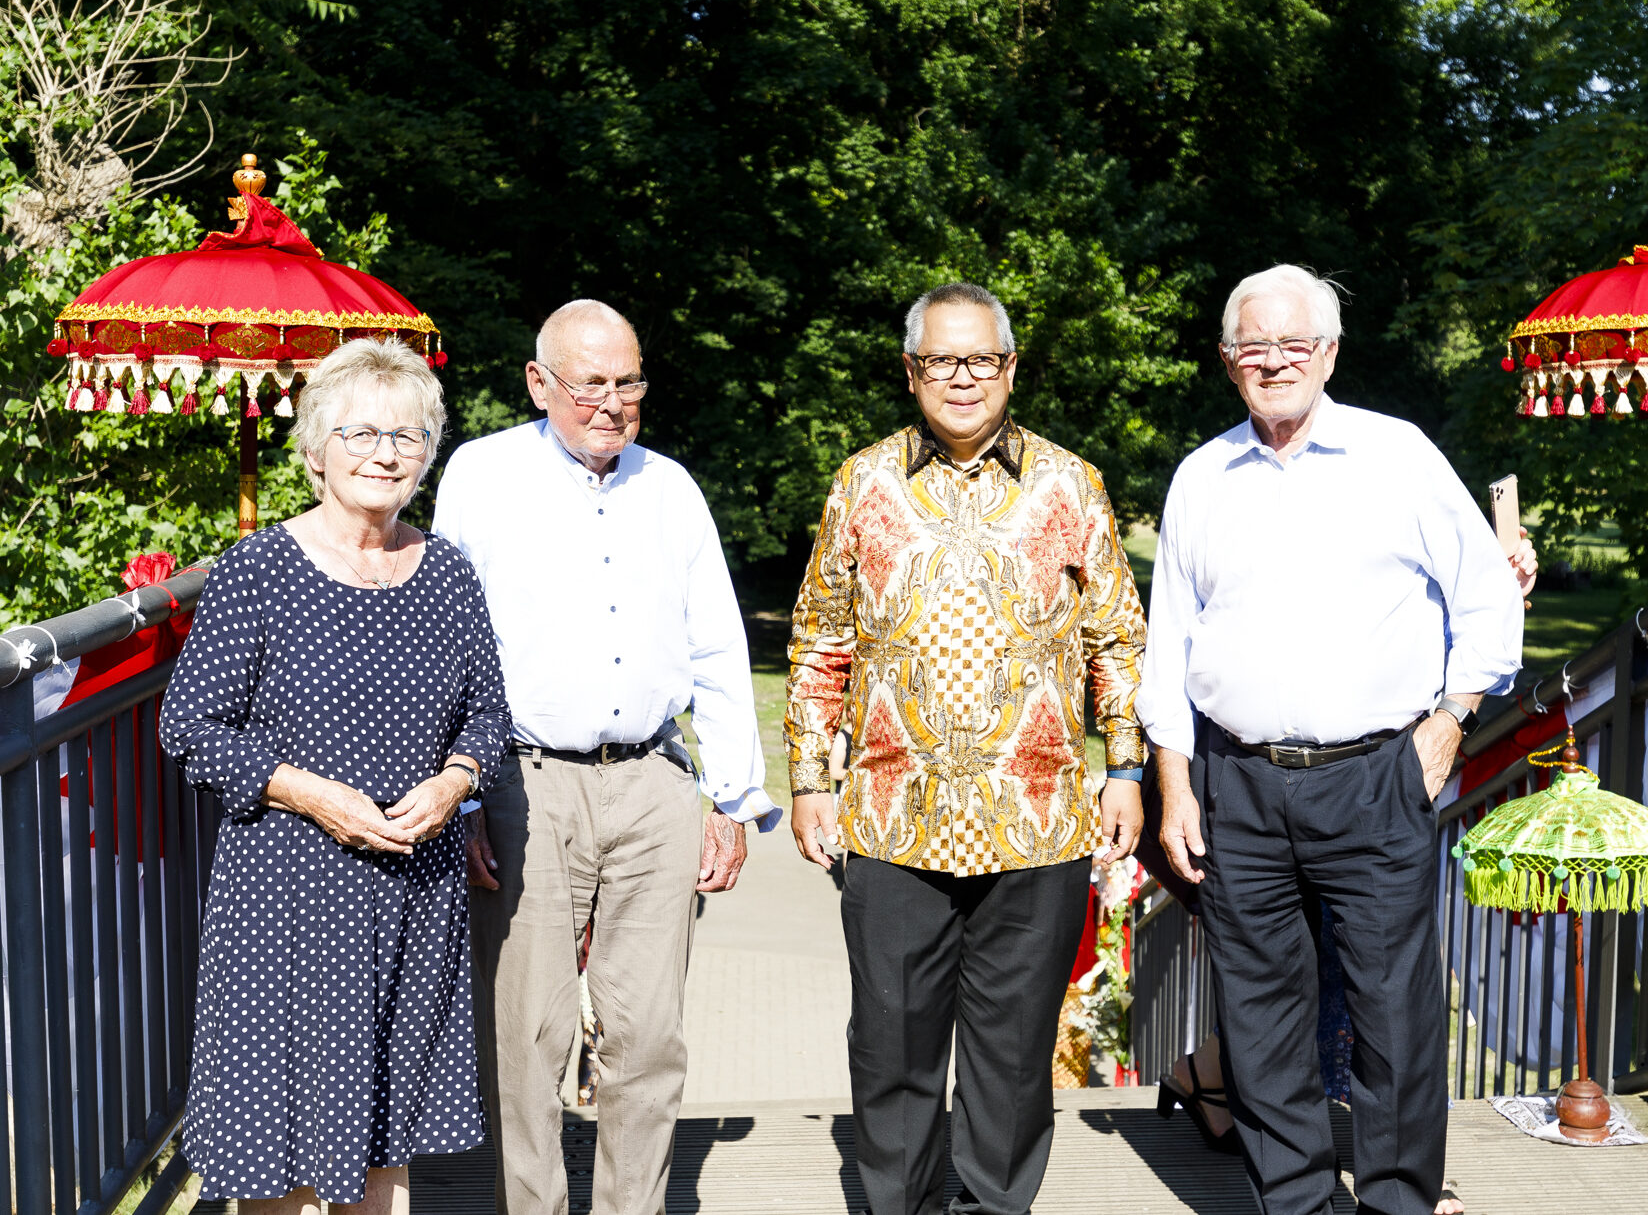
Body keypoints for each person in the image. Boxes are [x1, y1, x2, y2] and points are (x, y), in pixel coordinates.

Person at [1143, 265, 1524, 1215]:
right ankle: (1298, 1204)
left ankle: (1397, 1200)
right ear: (1230, 363)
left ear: (1330, 353)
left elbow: (1486, 596)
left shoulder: (1398, 457)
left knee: (1394, 1013)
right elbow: (1167, 646)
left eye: (1294, 345)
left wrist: (1451, 719)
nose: (1275, 363)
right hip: (1237, 781)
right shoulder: (1200, 476)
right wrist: (1175, 786)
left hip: (1377, 776)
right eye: (1254, 349)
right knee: (1262, 1021)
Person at [784, 282, 1146, 1215]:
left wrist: (1128, 767)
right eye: (940, 360)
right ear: (910, 373)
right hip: (892, 814)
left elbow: (1117, 638)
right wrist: (811, 779)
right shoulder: (862, 483)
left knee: (1016, 1057)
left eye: (980, 359)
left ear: (1010, 367)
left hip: (1039, 816)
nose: (962, 378)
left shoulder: (1071, 483)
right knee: (892, 1047)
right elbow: (821, 638)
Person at [430, 299, 777, 1215]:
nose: (612, 402)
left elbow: (718, 649)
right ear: (540, 384)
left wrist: (732, 799)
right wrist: (461, 802)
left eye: (628, 382)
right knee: (529, 1037)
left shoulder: (672, 487)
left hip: (655, 782)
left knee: (648, 1035)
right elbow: (449, 647)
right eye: (591, 383)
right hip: (522, 782)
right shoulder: (482, 474)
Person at [161, 339, 510, 1214]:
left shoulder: (450, 576)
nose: (384, 453)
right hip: (287, 899)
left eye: (408, 436)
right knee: (279, 1156)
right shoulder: (258, 570)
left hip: (412, 894)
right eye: (359, 433)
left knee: (385, 1147)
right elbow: (188, 725)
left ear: (429, 455)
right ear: (315, 450)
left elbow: (489, 714)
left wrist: (457, 780)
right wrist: (311, 793)